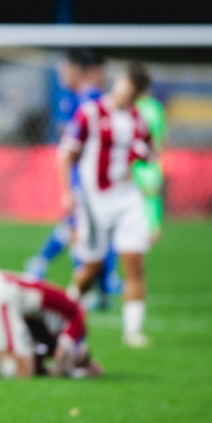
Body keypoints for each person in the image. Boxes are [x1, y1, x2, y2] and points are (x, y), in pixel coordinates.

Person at [59, 62, 154, 348]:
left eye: (135, 90)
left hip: (127, 197)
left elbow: (147, 155)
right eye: (127, 84)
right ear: (119, 81)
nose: (128, 92)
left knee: (134, 262)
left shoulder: (138, 121)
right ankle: (63, 312)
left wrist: (139, 176)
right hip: (93, 198)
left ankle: (133, 331)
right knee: (93, 265)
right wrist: (67, 192)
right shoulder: (90, 112)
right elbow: (66, 154)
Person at [26, 48, 119, 308]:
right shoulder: (75, 100)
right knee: (83, 229)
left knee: (84, 230)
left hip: (94, 177)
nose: (61, 75)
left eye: (65, 70)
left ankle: (94, 284)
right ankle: (97, 286)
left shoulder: (90, 102)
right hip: (83, 177)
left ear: (80, 70)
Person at [132, 87, 168, 242]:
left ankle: (138, 228)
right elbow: (163, 134)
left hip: (135, 159)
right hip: (153, 158)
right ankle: (154, 229)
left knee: (136, 195)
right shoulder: (156, 107)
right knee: (152, 195)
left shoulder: (133, 107)